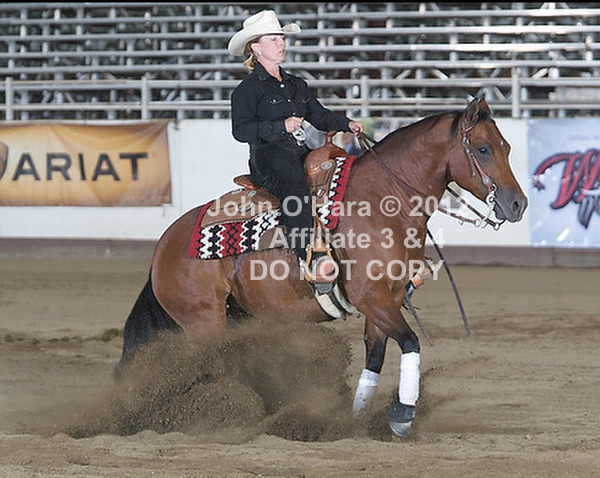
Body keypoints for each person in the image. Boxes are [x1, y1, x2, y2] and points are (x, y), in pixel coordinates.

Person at [228, 9, 364, 285]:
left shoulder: (297, 85)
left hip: (299, 153)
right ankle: (308, 256)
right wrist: (280, 126)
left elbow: (320, 116)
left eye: (281, 38)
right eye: (273, 39)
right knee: (295, 186)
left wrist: (346, 123)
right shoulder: (247, 90)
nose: (281, 44)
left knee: (342, 175)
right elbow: (241, 131)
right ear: (256, 48)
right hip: (268, 157)